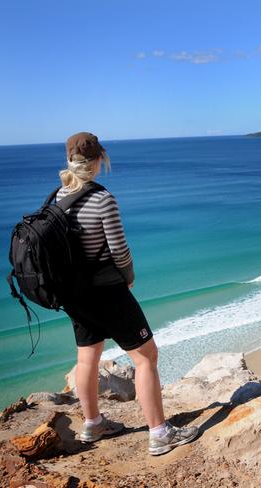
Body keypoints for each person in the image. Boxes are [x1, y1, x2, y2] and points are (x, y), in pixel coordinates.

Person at [57, 132, 198, 456]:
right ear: (98, 161)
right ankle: (160, 433)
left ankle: (93, 423)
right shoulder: (102, 198)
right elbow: (119, 250)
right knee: (146, 356)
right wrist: (129, 278)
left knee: (86, 356)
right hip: (107, 292)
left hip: (75, 295)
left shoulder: (59, 197)